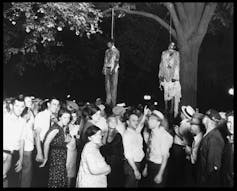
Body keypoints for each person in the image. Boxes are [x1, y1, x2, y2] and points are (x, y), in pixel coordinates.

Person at [39, 108, 71, 187]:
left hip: (61, 156)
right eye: (65, 117)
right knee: (56, 178)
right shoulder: (56, 128)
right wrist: (45, 158)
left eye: (68, 118)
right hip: (56, 157)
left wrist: (66, 141)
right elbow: (46, 142)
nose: (67, 120)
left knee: (59, 178)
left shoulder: (62, 127)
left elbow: (58, 141)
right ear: (60, 117)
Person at [32, 97, 60, 187]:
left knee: (47, 175)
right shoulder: (41, 115)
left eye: (57, 105)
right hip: (40, 145)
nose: (56, 107)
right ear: (48, 104)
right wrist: (39, 152)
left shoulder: (53, 117)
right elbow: (37, 135)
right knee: (40, 176)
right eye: (54, 104)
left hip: (49, 147)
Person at [143, 110, 173, 187]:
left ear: (158, 122)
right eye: (149, 119)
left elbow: (165, 157)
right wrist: (146, 167)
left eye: (152, 120)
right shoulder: (152, 133)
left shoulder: (163, 136)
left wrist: (160, 174)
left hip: (159, 167)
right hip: (151, 164)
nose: (149, 121)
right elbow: (149, 151)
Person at [196, 109, 225, 186]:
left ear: (207, 120)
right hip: (203, 178)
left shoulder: (214, 138)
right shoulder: (209, 135)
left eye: (205, 116)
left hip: (208, 181)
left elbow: (213, 168)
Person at [123, 106, 149, 187]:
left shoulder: (135, 131)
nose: (136, 122)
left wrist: (144, 115)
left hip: (137, 164)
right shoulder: (127, 135)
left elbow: (140, 125)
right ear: (127, 122)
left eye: (137, 120)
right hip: (131, 165)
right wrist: (135, 170)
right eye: (133, 121)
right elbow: (128, 155)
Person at [3, 95, 26, 187]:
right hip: (4, 153)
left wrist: (21, 159)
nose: (19, 109)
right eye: (17, 106)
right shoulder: (5, 118)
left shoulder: (23, 121)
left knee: (14, 183)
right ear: (12, 106)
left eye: (22, 106)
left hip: (15, 155)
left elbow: (22, 140)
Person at [100, 116, 125, 187]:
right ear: (107, 123)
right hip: (107, 160)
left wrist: (101, 148)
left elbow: (109, 149)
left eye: (115, 122)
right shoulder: (105, 133)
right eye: (111, 121)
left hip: (115, 162)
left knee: (113, 181)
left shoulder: (118, 135)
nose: (113, 123)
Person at [158, 42, 181, 118]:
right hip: (166, 77)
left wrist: (176, 77)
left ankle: (173, 111)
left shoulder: (176, 54)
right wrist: (160, 75)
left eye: (173, 46)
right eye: (170, 45)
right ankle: (166, 109)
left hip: (173, 78)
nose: (171, 46)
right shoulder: (164, 53)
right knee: (166, 94)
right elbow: (161, 64)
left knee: (174, 95)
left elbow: (177, 65)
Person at [185, 112, 205, 186]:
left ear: (199, 126)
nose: (190, 126)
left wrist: (190, 152)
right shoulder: (196, 138)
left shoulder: (201, 140)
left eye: (192, 124)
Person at [19, 96, 35, 187]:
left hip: (29, 143)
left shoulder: (30, 111)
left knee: (26, 169)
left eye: (31, 101)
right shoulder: (26, 113)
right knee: (27, 169)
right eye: (28, 101)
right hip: (26, 144)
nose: (30, 102)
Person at [102, 40, 120, 107]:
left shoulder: (116, 51)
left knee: (113, 86)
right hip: (107, 68)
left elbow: (116, 61)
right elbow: (105, 60)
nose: (108, 45)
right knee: (107, 86)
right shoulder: (107, 51)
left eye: (109, 44)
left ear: (112, 44)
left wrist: (113, 69)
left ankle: (113, 102)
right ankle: (108, 101)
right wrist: (104, 68)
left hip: (114, 69)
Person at [66, 110, 80, 187]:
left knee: (71, 169)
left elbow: (78, 140)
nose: (74, 118)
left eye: (75, 116)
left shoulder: (77, 126)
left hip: (73, 149)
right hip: (67, 149)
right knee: (66, 167)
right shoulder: (66, 125)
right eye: (72, 116)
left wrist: (77, 138)